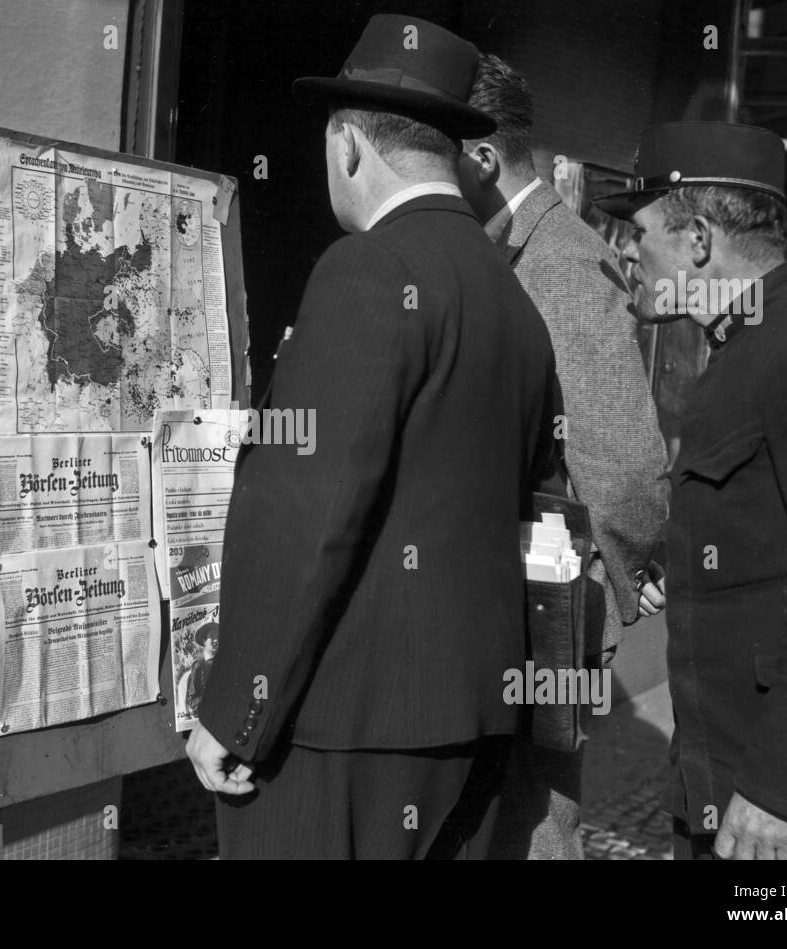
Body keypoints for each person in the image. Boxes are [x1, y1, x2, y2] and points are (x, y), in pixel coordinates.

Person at [184, 14, 559, 859]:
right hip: (469, 723)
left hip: (342, 729)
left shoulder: (367, 269)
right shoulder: (512, 302)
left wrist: (236, 706)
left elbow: (305, 511)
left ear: (349, 146)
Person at [596, 121, 787, 859]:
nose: (627, 254)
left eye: (639, 233)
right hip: (723, 796)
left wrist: (782, 792)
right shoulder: (747, 352)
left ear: (698, 239)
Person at [457, 53, 670, 859]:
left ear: (482, 157)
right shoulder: (506, 244)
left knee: (536, 823)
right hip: (512, 609)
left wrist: (627, 565)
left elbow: (621, 460)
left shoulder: (563, 258)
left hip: (552, 608)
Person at [183, 622, 217, 718]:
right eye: (212, 637)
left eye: (217, 636)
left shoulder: (224, 662)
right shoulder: (198, 666)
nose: (216, 640)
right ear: (204, 641)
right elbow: (192, 702)